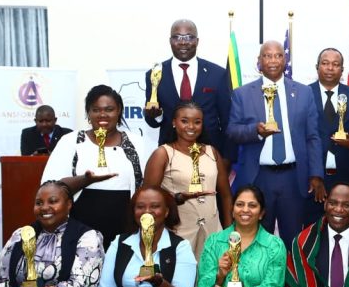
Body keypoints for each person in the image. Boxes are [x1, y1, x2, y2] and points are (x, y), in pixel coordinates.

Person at [227, 40, 324, 246]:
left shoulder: (304, 92)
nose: (273, 60)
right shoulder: (242, 94)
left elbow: (312, 136)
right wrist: (257, 131)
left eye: (278, 55)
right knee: (256, 240)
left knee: (294, 241)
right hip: (258, 178)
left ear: (285, 59)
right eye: (267, 56)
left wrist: (316, 174)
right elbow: (233, 131)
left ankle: (292, 279)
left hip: (293, 178)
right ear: (259, 62)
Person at [43, 84, 152, 248]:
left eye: (109, 109)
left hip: (126, 226)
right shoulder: (71, 141)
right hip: (80, 225)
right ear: (88, 113)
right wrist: (85, 180)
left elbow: (147, 185)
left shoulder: (137, 142)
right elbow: (50, 187)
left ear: (119, 111)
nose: (103, 114)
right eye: (96, 109)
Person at [144, 100, 233, 255]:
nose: (191, 127)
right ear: (174, 122)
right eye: (184, 121)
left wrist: (229, 232)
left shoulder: (212, 153)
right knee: (180, 278)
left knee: (211, 277)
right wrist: (175, 198)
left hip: (213, 232)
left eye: (197, 122)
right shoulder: (163, 154)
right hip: (178, 232)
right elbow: (147, 198)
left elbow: (226, 196)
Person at [143, 19, 232, 156]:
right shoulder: (155, 74)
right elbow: (152, 122)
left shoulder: (218, 74)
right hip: (170, 154)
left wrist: (226, 158)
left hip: (209, 153)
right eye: (177, 37)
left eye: (189, 37)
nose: (183, 42)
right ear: (170, 41)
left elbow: (227, 120)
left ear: (197, 41)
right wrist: (157, 116)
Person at [304, 47, 349, 224]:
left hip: (345, 174)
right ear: (317, 67)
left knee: (343, 227)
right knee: (312, 228)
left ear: (342, 69)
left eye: (335, 64)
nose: (330, 68)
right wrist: (314, 174)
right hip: (311, 177)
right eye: (325, 63)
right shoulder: (304, 94)